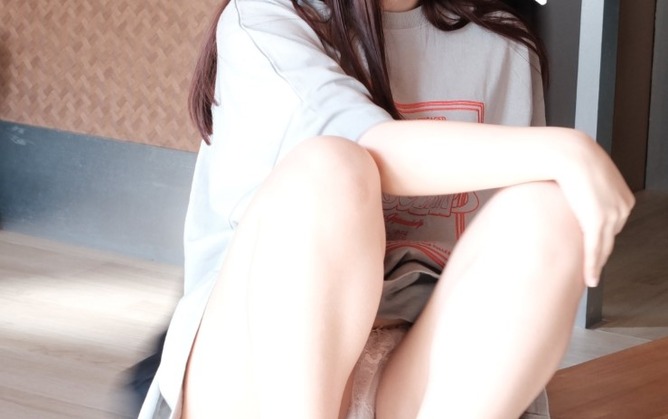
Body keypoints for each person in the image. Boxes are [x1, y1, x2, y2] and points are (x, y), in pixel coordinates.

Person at [139, 0, 634, 417]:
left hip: (411, 372)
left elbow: (501, 274)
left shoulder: (501, 40)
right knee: (331, 167)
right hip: (263, 362)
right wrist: (567, 149)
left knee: (548, 211)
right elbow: (362, 142)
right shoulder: (265, 17)